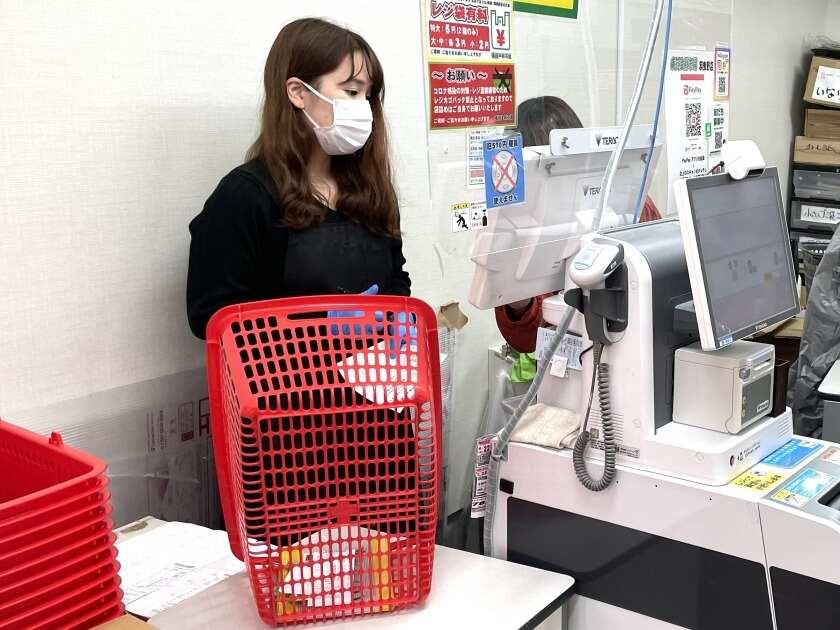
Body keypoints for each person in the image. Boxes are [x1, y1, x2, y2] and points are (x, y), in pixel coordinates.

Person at [187, 18, 410, 339]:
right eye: (350, 91)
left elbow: (396, 275)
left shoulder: (371, 188)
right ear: (297, 93)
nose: (363, 107)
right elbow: (210, 318)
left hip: (372, 382)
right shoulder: (245, 196)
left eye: (367, 96)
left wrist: (399, 316)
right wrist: (321, 326)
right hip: (282, 385)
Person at [496, 96, 662, 353]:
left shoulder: (629, 203)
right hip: (565, 369)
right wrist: (517, 299)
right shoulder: (524, 225)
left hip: (632, 351)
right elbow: (526, 342)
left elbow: (660, 275)